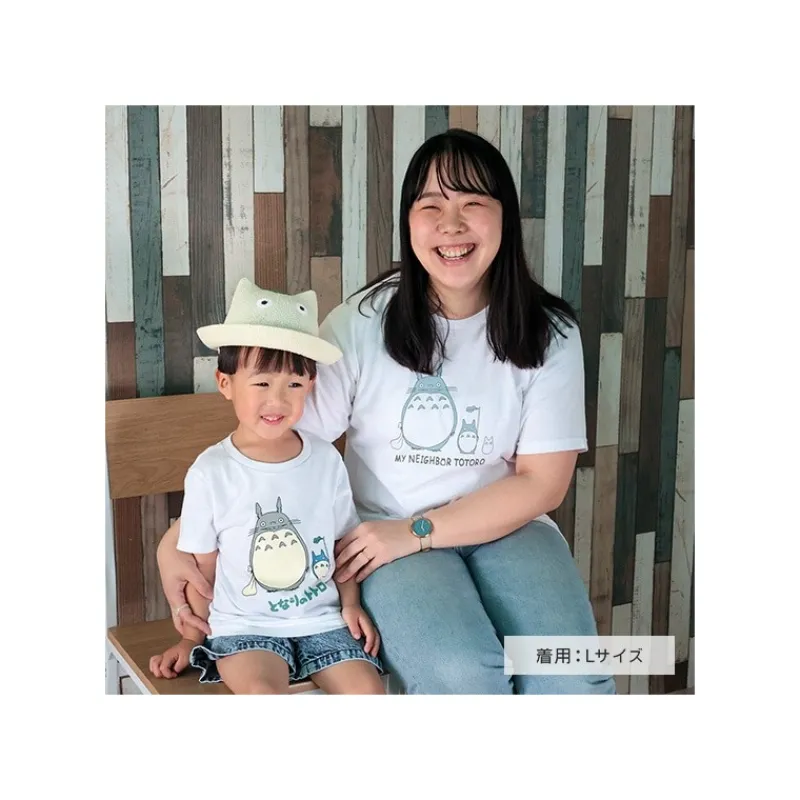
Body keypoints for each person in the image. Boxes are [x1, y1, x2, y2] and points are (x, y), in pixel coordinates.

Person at [158, 128, 616, 695]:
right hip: (380, 536)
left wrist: (419, 531)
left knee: (575, 673)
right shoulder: (361, 324)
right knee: (460, 675)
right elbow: (271, 451)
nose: (452, 225)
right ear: (408, 221)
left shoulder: (551, 332)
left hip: (507, 527)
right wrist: (176, 538)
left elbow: (543, 483)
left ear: (506, 216)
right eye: (431, 206)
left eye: (473, 203)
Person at [149, 278, 384, 694]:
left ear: (311, 386)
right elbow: (204, 570)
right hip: (244, 629)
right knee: (263, 695)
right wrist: (192, 638)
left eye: (294, 384)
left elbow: (342, 543)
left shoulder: (326, 459)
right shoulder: (211, 471)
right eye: (261, 383)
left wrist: (350, 604)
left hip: (323, 622)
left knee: (368, 693)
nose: (277, 400)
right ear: (225, 383)